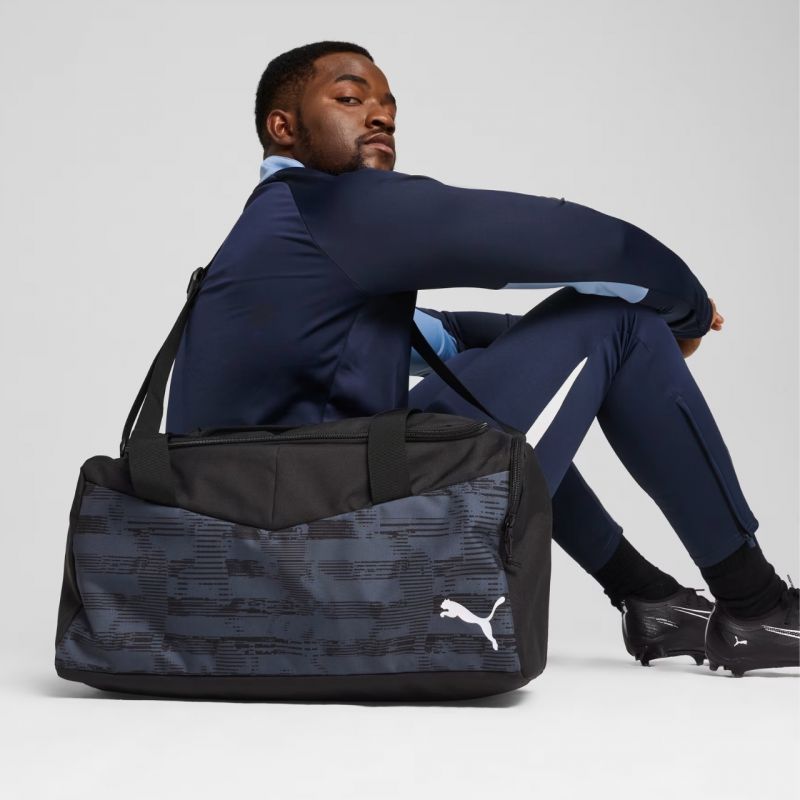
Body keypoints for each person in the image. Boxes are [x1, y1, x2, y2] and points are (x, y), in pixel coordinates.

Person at [165, 40, 798, 676]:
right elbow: (579, 242)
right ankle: (757, 605)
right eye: (351, 98)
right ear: (283, 127)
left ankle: (649, 599)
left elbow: (443, 339)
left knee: (472, 384)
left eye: (389, 106)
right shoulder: (335, 206)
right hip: (341, 556)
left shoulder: (273, 238)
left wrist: (573, 351)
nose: (381, 116)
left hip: (277, 556)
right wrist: (685, 311)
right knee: (624, 319)